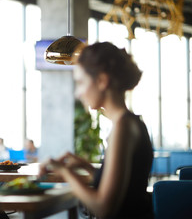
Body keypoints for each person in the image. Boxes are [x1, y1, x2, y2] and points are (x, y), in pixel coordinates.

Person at [39, 42, 153, 219]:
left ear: (101, 81)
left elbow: (103, 208)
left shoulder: (123, 128)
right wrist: (87, 167)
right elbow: (125, 187)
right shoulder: (130, 123)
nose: (78, 93)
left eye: (80, 83)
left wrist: (64, 172)